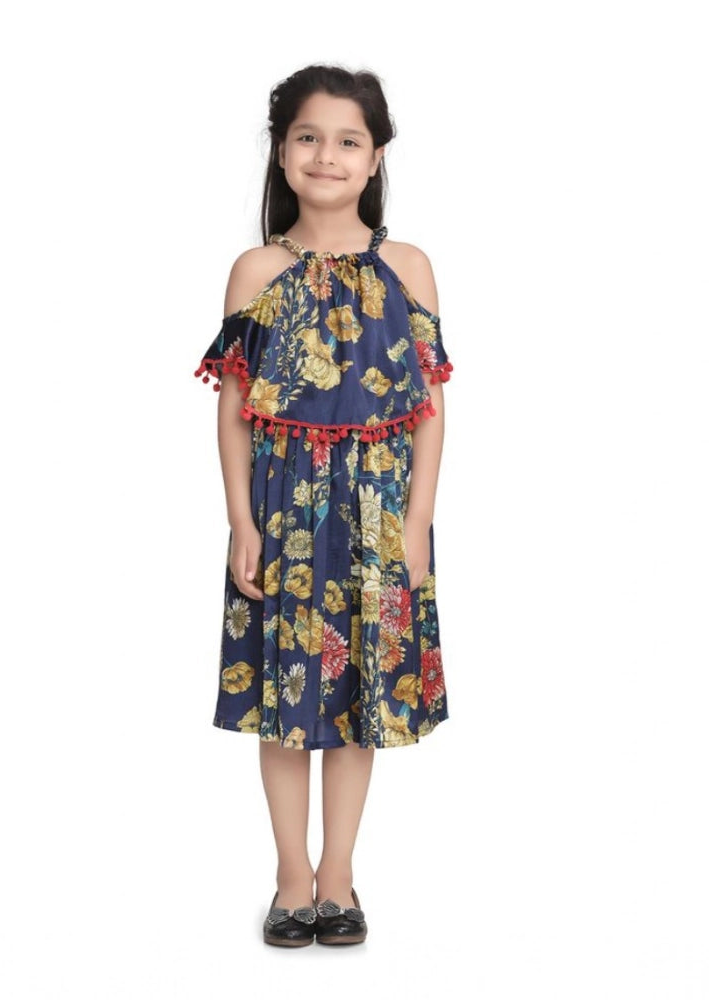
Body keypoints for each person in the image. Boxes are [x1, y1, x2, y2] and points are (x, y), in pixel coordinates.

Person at [193, 63, 453, 947]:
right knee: (284, 698)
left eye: (348, 140)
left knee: (359, 697)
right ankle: (290, 876)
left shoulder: (408, 267)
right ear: (282, 151)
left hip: (378, 516)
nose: (327, 155)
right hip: (283, 515)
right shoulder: (256, 270)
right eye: (308, 137)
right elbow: (234, 408)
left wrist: (416, 524)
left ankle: (338, 874)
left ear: (375, 157)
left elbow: (430, 405)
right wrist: (242, 522)